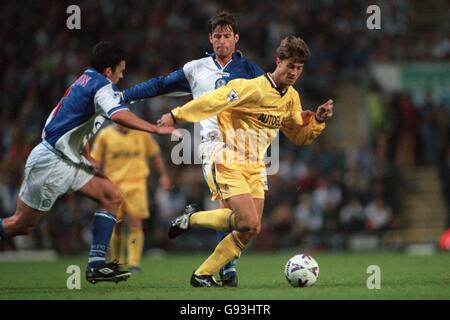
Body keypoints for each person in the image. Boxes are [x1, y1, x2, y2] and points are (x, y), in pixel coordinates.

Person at [158, 36, 334, 287]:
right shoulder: (251, 87)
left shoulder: (291, 98)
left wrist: (317, 119)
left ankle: (201, 272)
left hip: (256, 165)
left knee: (251, 229)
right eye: (290, 65)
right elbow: (213, 100)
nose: (294, 72)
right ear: (278, 61)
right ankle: (194, 223)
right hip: (228, 157)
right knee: (247, 221)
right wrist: (177, 114)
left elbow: (298, 135)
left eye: (299, 68)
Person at [0, 42, 174, 284]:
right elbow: (118, 115)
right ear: (108, 71)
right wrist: (153, 128)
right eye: (120, 70)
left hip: (69, 160)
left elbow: (77, 121)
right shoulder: (102, 86)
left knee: (112, 196)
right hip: (51, 163)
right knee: (20, 225)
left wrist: (87, 153)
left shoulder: (85, 79)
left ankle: (96, 265)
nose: (122, 75)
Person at [120, 11, 264, 286]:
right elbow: (160, 85)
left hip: (246, 148)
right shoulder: (196, 69)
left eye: (226, 36)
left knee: (245, 220)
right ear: (210, 39)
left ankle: (203, 234)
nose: (222, 41)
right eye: (217, 36)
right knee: (232, 209)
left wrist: (303, 116)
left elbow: (274, 96)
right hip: (214, 147)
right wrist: (125, 96)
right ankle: (227, 269)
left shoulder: (250, 70)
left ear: (236, 38)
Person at [90, 123, 171, 273]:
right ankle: (117, 261)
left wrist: (164, 175)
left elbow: (155, 154)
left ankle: (134, 263)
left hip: (136, 184)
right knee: (117, 225)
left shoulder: (141, 133)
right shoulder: (104, 135)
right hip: (114, 186)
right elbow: (95, 161)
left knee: (136, 223)